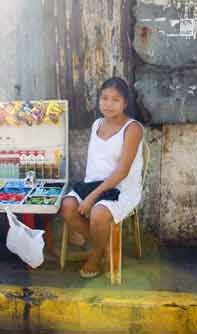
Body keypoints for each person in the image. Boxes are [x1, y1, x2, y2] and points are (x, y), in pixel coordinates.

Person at [60, 77, 144, 278]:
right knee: (67, 206)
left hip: (122, 187)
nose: (108, 104)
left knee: (98, 213)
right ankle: (107, 247)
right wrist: (90, 193)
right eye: (104, 98)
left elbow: (122, 172)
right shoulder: (97, 124)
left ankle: (95, 256)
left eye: (115, 100)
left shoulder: (133, 128)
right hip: (94, 184)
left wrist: (92, 197)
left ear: (125, 103)